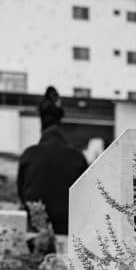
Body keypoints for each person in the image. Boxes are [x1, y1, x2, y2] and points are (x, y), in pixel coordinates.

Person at [17, 86, 88, 236]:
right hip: (72, 236)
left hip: (37, 236)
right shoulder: (77, 158)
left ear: (41, 124)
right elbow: (87, 202)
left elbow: (23, 198)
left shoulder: (28, 156)